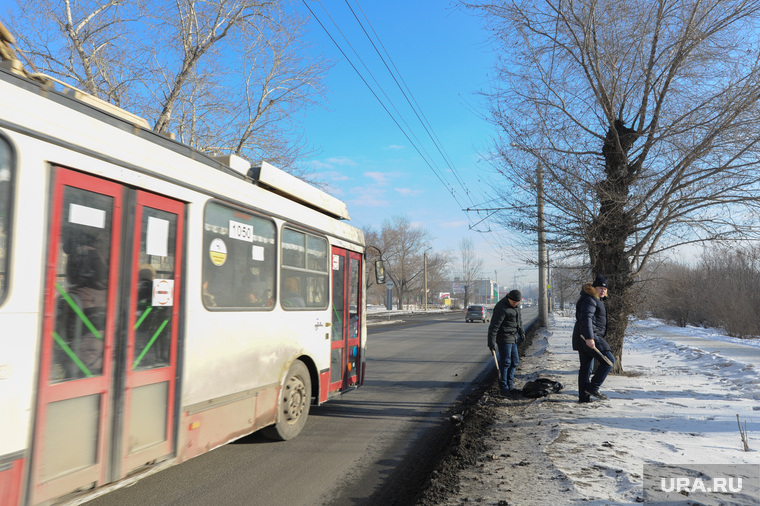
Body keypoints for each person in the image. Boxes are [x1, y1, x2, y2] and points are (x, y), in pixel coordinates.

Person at [572, 274, 615, 403]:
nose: (603, 290)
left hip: (583, 337)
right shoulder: (590, 300)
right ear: (594, 288)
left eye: (605, 289)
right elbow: (586, 319)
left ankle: (584, 397)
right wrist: (590, 338)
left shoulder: (592, 299)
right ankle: (593, 387)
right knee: (609, 361)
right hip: (591, 337)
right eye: (600, 288)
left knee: (586, 368)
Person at [487, 289, 526, 397]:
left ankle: (510, 385)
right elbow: (494, 326)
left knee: (514, 361)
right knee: (505, 362)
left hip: (513, 337)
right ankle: (504, 388)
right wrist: (491, 342)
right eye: (514, 302)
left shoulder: (516, 307)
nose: (516, 304)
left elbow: (519, 321)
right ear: (509, 298)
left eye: (517, 302)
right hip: (503, 338)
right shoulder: (501, 308)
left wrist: (521, 332)